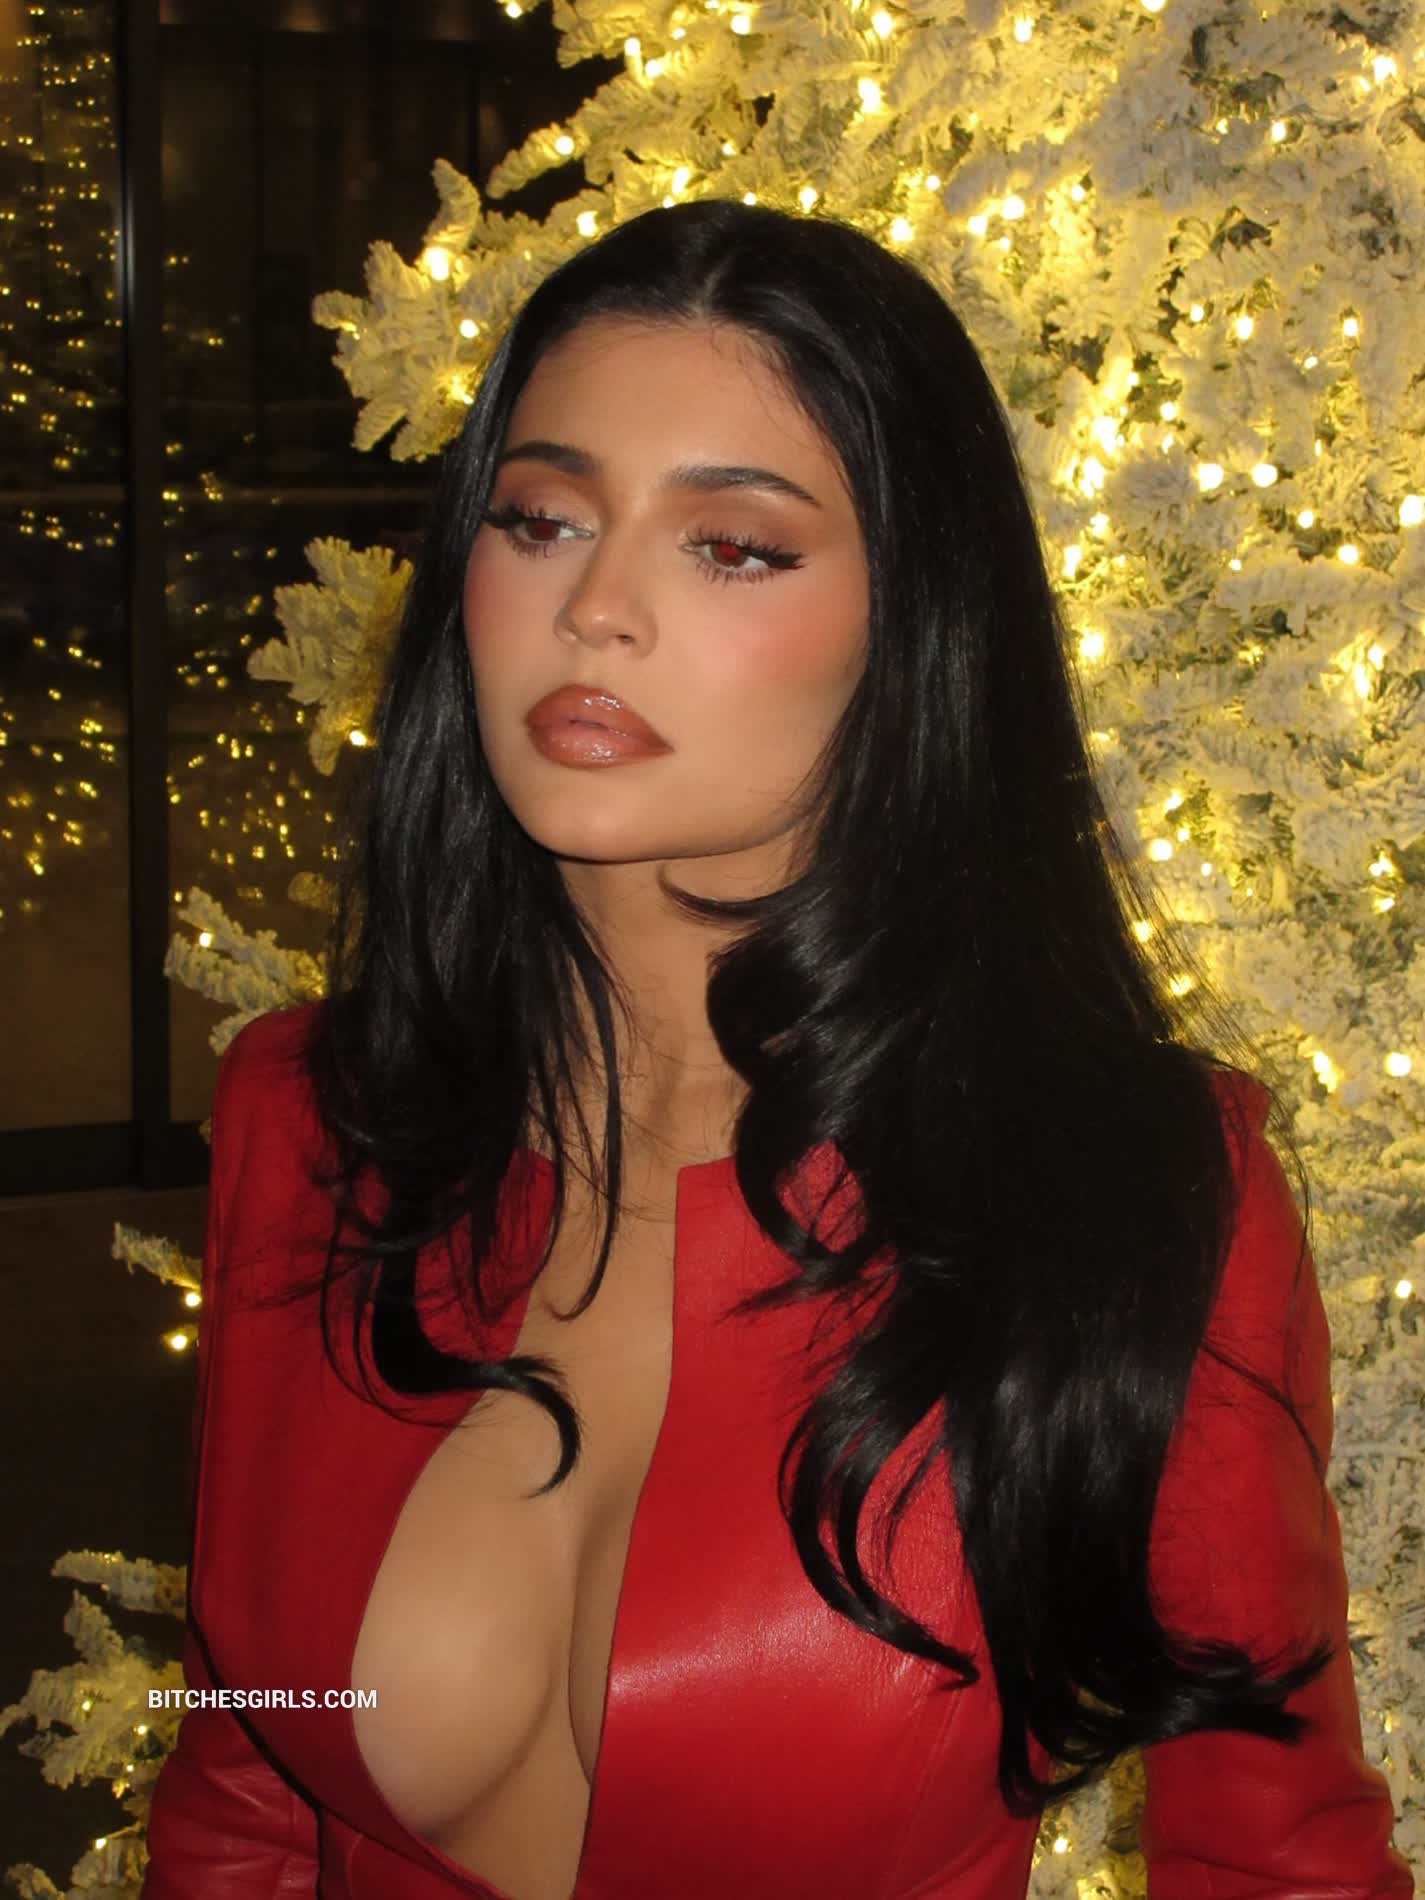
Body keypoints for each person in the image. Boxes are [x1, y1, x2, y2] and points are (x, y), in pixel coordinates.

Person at [141, 198, 1414, 1899]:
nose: (595, 609)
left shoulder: (1119, 1185)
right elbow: (244, 1777)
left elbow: (1276, 1866)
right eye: (540, 518)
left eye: (731, 546)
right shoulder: (316, 1111)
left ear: (912, 621)